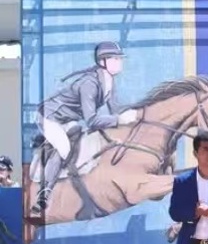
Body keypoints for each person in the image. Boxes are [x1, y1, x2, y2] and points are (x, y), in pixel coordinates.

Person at [32, 41, 138, 214]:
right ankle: (44, 193)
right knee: (64, 148)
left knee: (81, 142)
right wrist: (119, 120)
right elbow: (92, 120)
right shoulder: (89, 83)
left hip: (68, 119)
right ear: (103, 61)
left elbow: (116, 109)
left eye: (120, 59)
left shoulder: (109, 81)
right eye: (115, 59)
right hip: (50, 117)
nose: (120, 62)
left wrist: (138, 112)